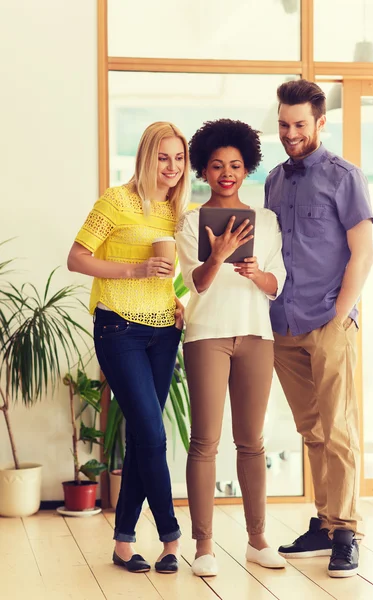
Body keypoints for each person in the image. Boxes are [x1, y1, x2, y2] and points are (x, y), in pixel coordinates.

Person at [67, 122, 189, 574]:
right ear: (146, 156)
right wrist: (133, 271)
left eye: (179, 158)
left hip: (163, 330)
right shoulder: (115, 201)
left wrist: (174, 296)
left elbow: (169, 270)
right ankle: (172, 538)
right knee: (153, 435)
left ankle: (123, 542)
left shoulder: (177, 210)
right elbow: (77, 257)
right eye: (163, 157)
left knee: (144, 436)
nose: (172, 167)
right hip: (119, 328)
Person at [265, 80, 373, 578]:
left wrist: (341, 313)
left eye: (300, 125)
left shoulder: (344, 177)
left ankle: (347, 531)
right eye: (284, 124)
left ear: (320, 122)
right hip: (283, 323)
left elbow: (363, 252)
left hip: (329, 321)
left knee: (339, 428)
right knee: (311, 429)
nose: (290, 133)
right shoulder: (274, 181)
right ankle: (326, 524)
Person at [175, 118, 287, 577]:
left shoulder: (267, 221)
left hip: (256, 336)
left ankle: (257, 540)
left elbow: (275, 285)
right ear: (203, 169)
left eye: (235, 165)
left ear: (247, 169)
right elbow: (195, 285)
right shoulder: (189, 222)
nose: (227, 173)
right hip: (206, 336)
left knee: (252, 442)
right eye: (217, 165)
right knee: (204, 442)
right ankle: (203, 545)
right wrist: (218, 255)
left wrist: (255, 271)